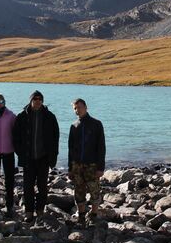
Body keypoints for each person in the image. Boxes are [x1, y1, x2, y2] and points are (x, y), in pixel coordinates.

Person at [13, 90, 59, 223]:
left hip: (43, 157)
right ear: (30, 100)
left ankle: (40, 211)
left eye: (40, 99)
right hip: (28, 158)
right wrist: (20, 153)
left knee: (42, 186)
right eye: (35, 99)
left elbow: (55, 138)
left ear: (42, 101)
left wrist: (53, 157)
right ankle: (28, 212)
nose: (38, 101)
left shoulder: (50, 116)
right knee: (27, 186)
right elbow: (15, 137)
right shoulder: (22, 116)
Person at [68, 98, 106, 227]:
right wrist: (70, 168)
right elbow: (70, 149)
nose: (77, 110)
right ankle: (81, 216)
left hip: (92, 165)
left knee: (94, 190)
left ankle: (94, 215)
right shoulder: (74, 126)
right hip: (77, 165)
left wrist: (101, 167)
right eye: (75, 108)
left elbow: (101, 147)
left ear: (85, 107)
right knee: (79, 192)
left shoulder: (96, 124)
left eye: (79, 107)